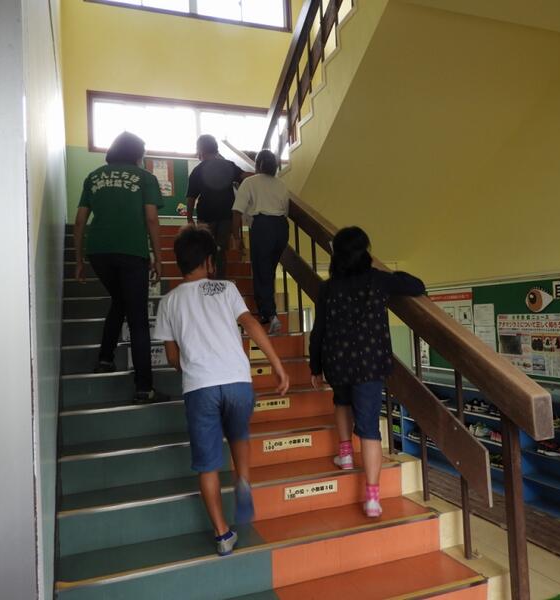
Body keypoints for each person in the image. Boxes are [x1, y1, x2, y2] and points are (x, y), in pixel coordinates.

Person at [153, 226, 290, 556]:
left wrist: (193, 368)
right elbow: (251, 324)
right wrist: (277, 364)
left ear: (180, 262)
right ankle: (243, 479)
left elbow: (172, 358)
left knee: (208, 466)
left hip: (201, 387)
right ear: (209, 261)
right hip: (238, 381)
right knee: (239, 433)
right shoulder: (226, 288)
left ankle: (222, 535)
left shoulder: (169, 302)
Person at [309, 226, 425, 517]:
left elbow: (318, 330)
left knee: (341, 402)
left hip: (337, 360)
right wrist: (384, 270)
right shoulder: (378, 280)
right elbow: (416, 285)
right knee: (370, 429)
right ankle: (372, 498)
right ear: (365, 252)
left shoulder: (328, 288)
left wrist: (315, 366)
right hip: (370, 363)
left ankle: (346, 454)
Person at [73, 131, 163, 404]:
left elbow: (80, 220)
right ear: (137, 154)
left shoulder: (94, 177)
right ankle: (144, 388)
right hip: (131, 252)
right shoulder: (145, 178)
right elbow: (151, 218)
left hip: (98, 252)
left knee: (120, 301)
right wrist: (158, 257)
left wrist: (79, 260)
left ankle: (105, 358)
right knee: (138, 318)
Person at [232, 149, 289, 335]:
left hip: (263, 227)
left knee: (261, 269)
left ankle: (271, 315)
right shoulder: (281, 184)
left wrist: (237, 237)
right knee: (269, 270)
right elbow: (286, 210)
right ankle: (266, 312)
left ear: (257, 165)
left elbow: (237, 211)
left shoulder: (250, 182)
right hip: (281, 227)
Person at [185, 135, 249, 279]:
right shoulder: (228, 165)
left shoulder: (197, 170)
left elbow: (191, 197)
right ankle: (220, 281)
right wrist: (262, 174)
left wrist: (189, 219)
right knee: (220, 250)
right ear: (215, 149)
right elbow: (245, 177)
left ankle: (205, 279)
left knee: (205, 249)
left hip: (206, 216)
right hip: (226, 216)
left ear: (201, 150)